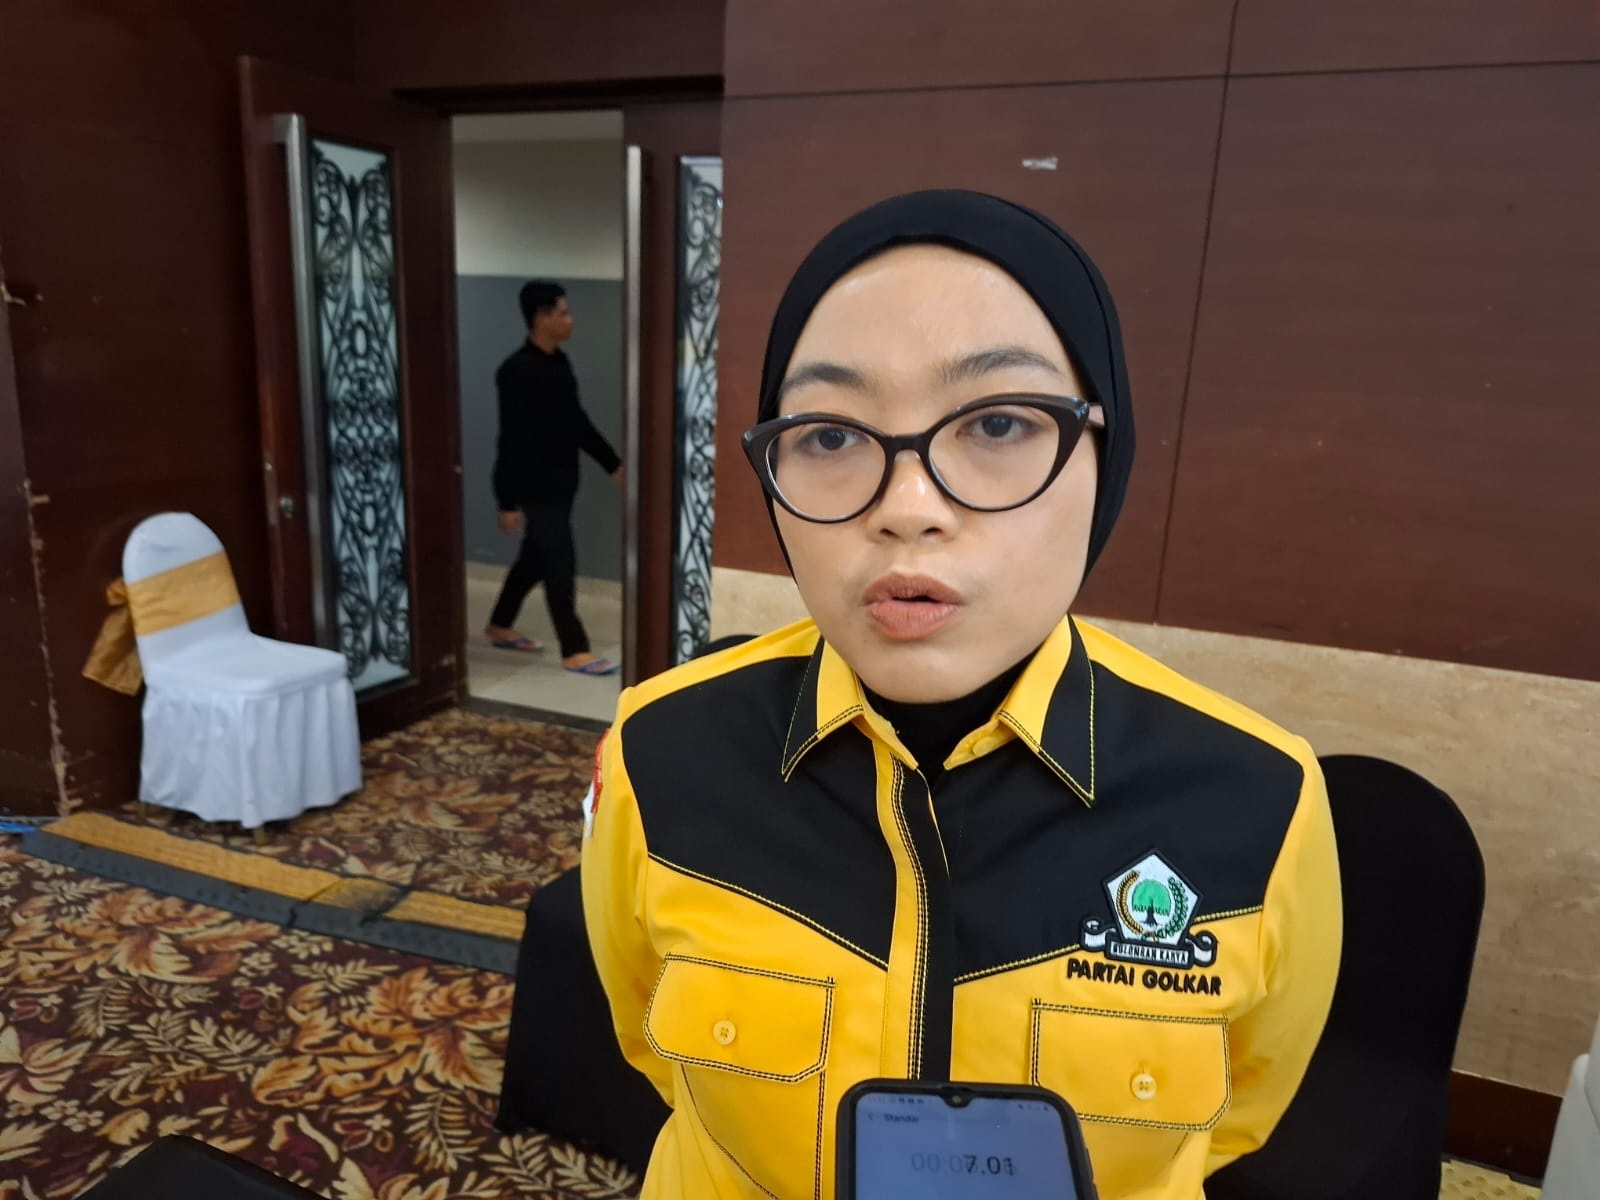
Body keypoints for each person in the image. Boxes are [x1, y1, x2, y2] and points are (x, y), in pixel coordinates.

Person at [582, 192, 1342, 1199]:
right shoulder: (662, 747)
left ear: (1105, 456)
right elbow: (645, 1037)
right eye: (830, 435)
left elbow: (1244, 1108)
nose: (908, 510)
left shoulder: (1256, 797)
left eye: (997, 422)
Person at [486, 280, 622, 676]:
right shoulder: (515, 371)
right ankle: (574, 649)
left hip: (563, 484)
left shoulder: (559, 363)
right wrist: (506, 501)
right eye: (563, 313)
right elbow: (510, 437)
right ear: (542, 318)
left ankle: (499, 624)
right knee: (559, 561)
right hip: (535, 486)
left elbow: (575, 421)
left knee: (535, 556)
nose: (571, 320)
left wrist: (613, 464)